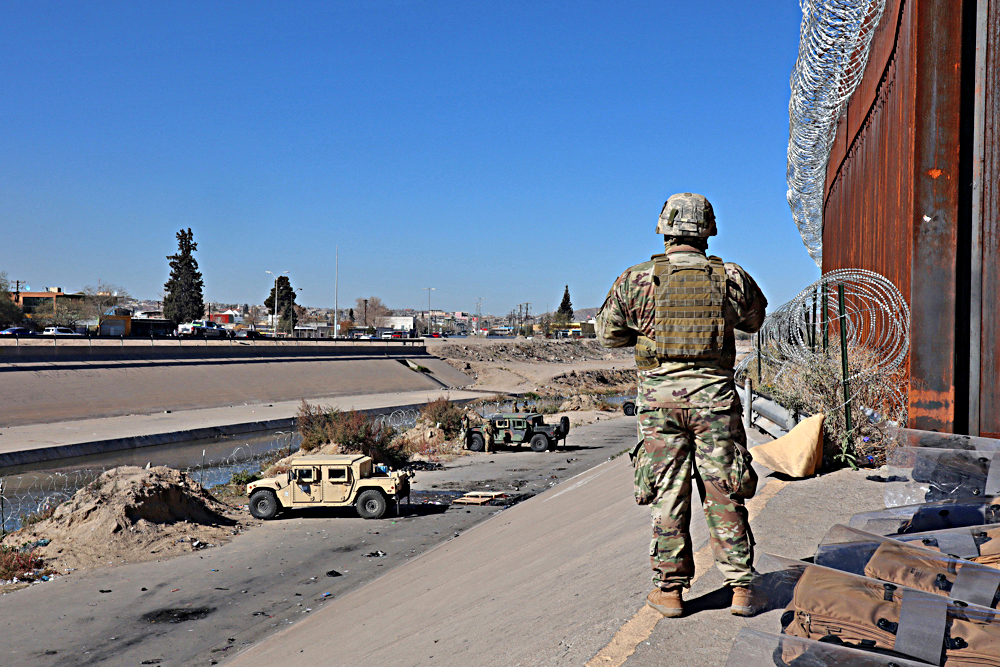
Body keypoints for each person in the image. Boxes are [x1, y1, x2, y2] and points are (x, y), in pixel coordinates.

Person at [596, 192, 767, 618]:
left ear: (665, 227)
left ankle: (670, 592)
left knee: (668, 495)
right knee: (725, 489)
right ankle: (741, 588)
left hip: (659, 406)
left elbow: (608, 335)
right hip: (715, 402)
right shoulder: (732, 278)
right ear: (708, 228)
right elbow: (754, 320)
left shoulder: (636, 279)